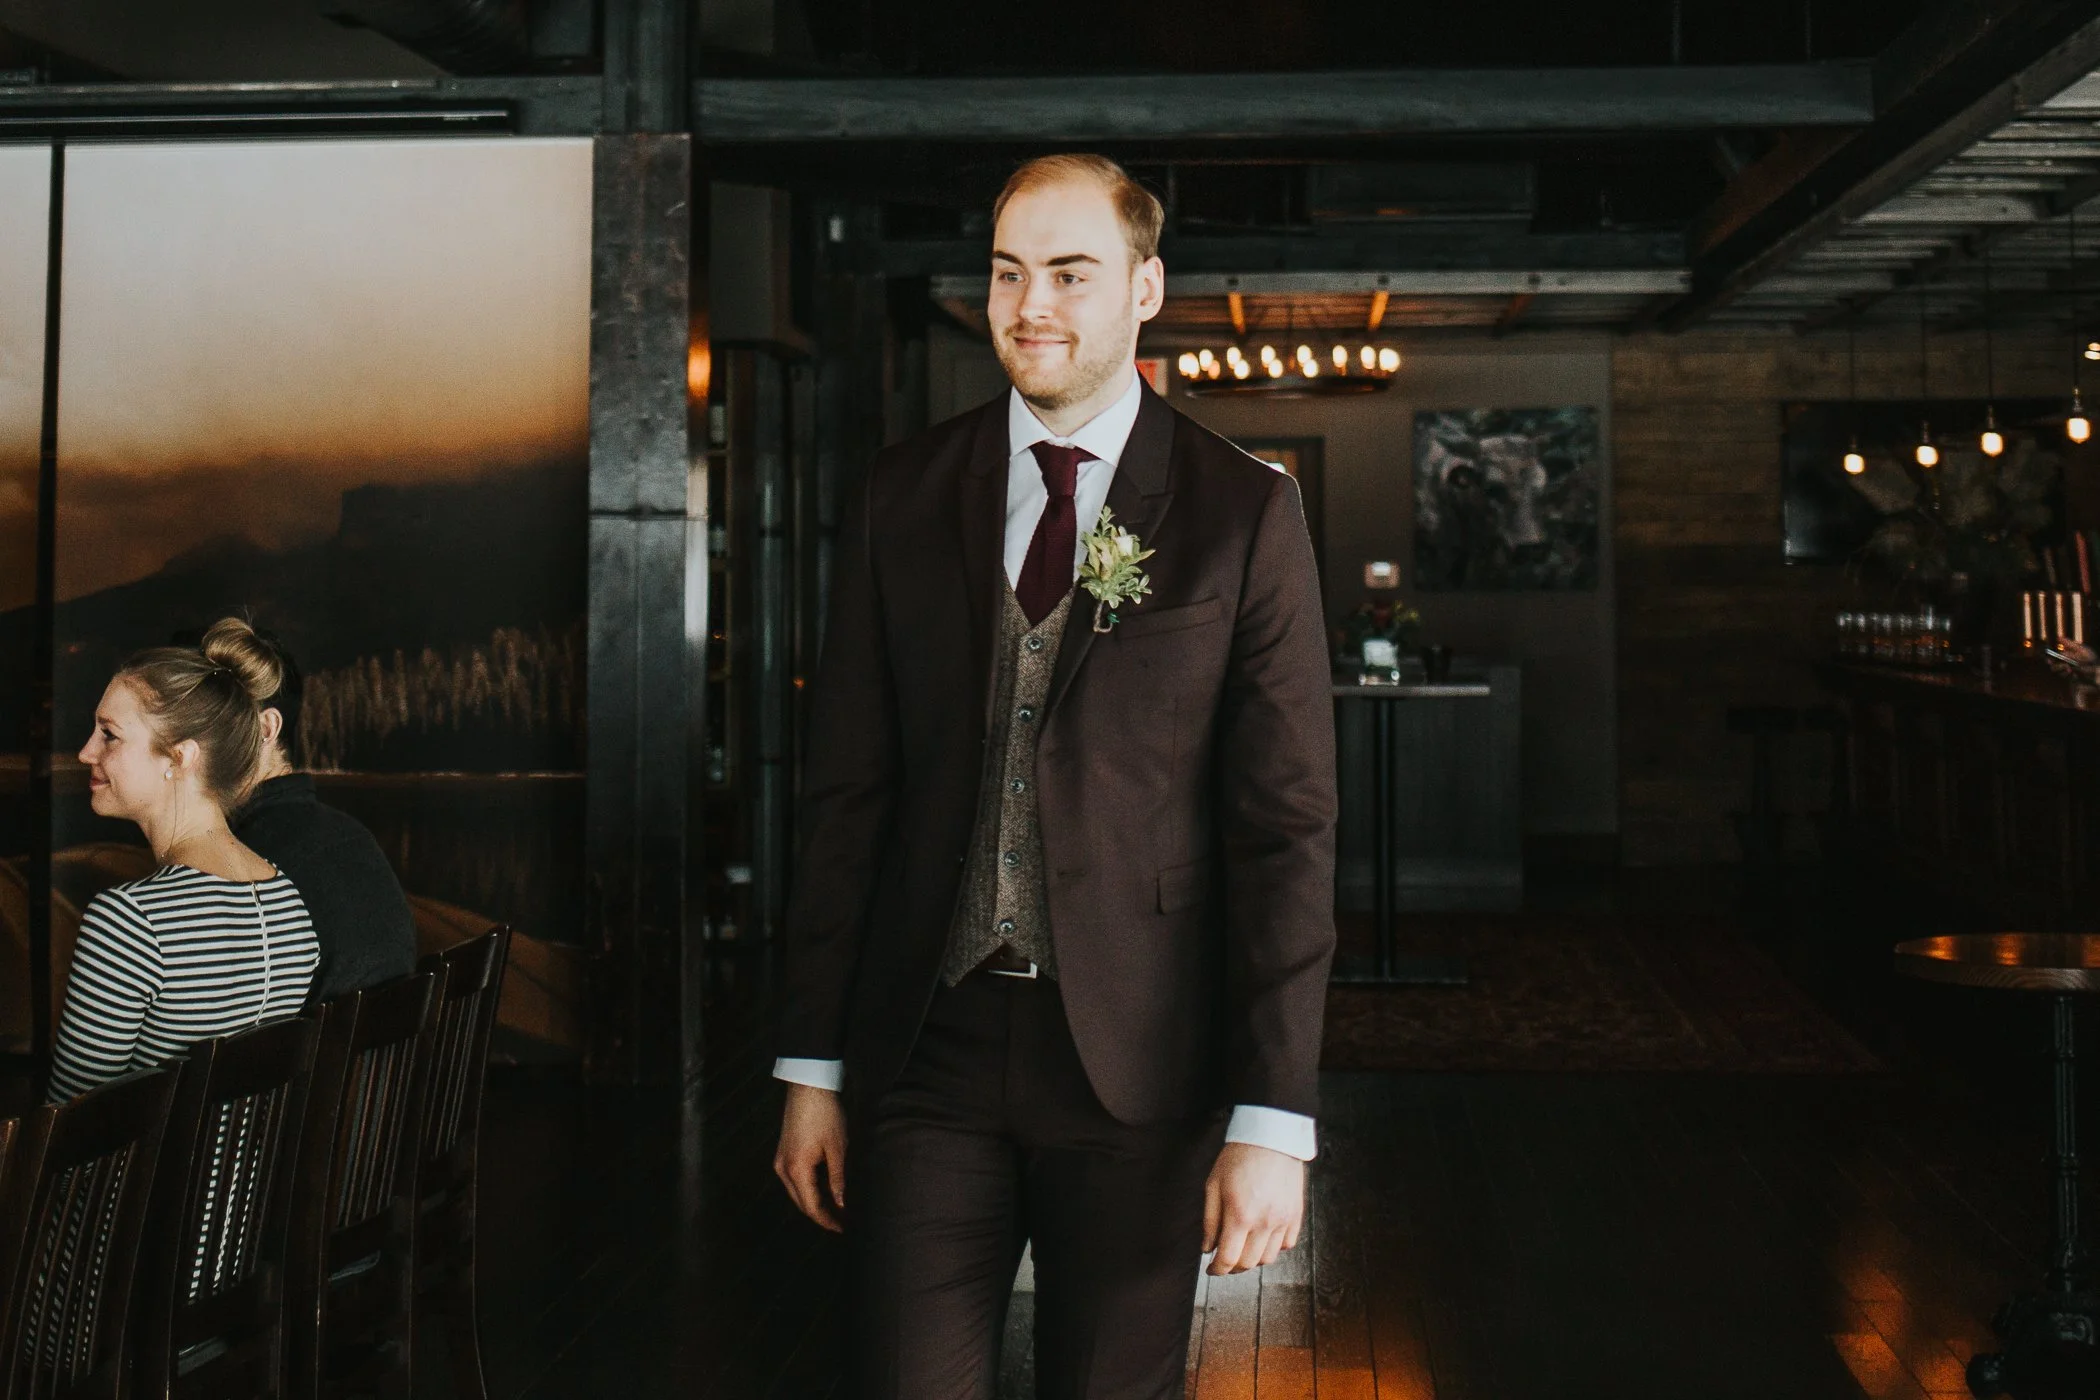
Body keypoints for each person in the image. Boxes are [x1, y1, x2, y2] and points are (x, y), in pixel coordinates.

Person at [772, 153, 1337, 1398]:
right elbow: (848, 794)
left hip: (1141, 1064)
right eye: (1008, 271)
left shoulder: (1245, 513)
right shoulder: (902, 493)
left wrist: (1272, 1114)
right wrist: (812, 1065)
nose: (1032, 303)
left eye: (1071, 273)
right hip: (929, 1048)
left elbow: (1283, 832)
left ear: (1145, 287)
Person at [50, 618, 321, 1102]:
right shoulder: (287, 903)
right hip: (243, 1180)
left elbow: (70, 1130)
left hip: (144, 1180)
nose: (85, 751)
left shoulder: (129, 922)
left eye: (109, 734)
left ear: (178, 758)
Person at [233, 631, 417, 1002]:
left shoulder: (249, 857)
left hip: (317, 1057)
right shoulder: (348, 833)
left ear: (266, 729)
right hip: (381, 1055)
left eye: (211, 718)